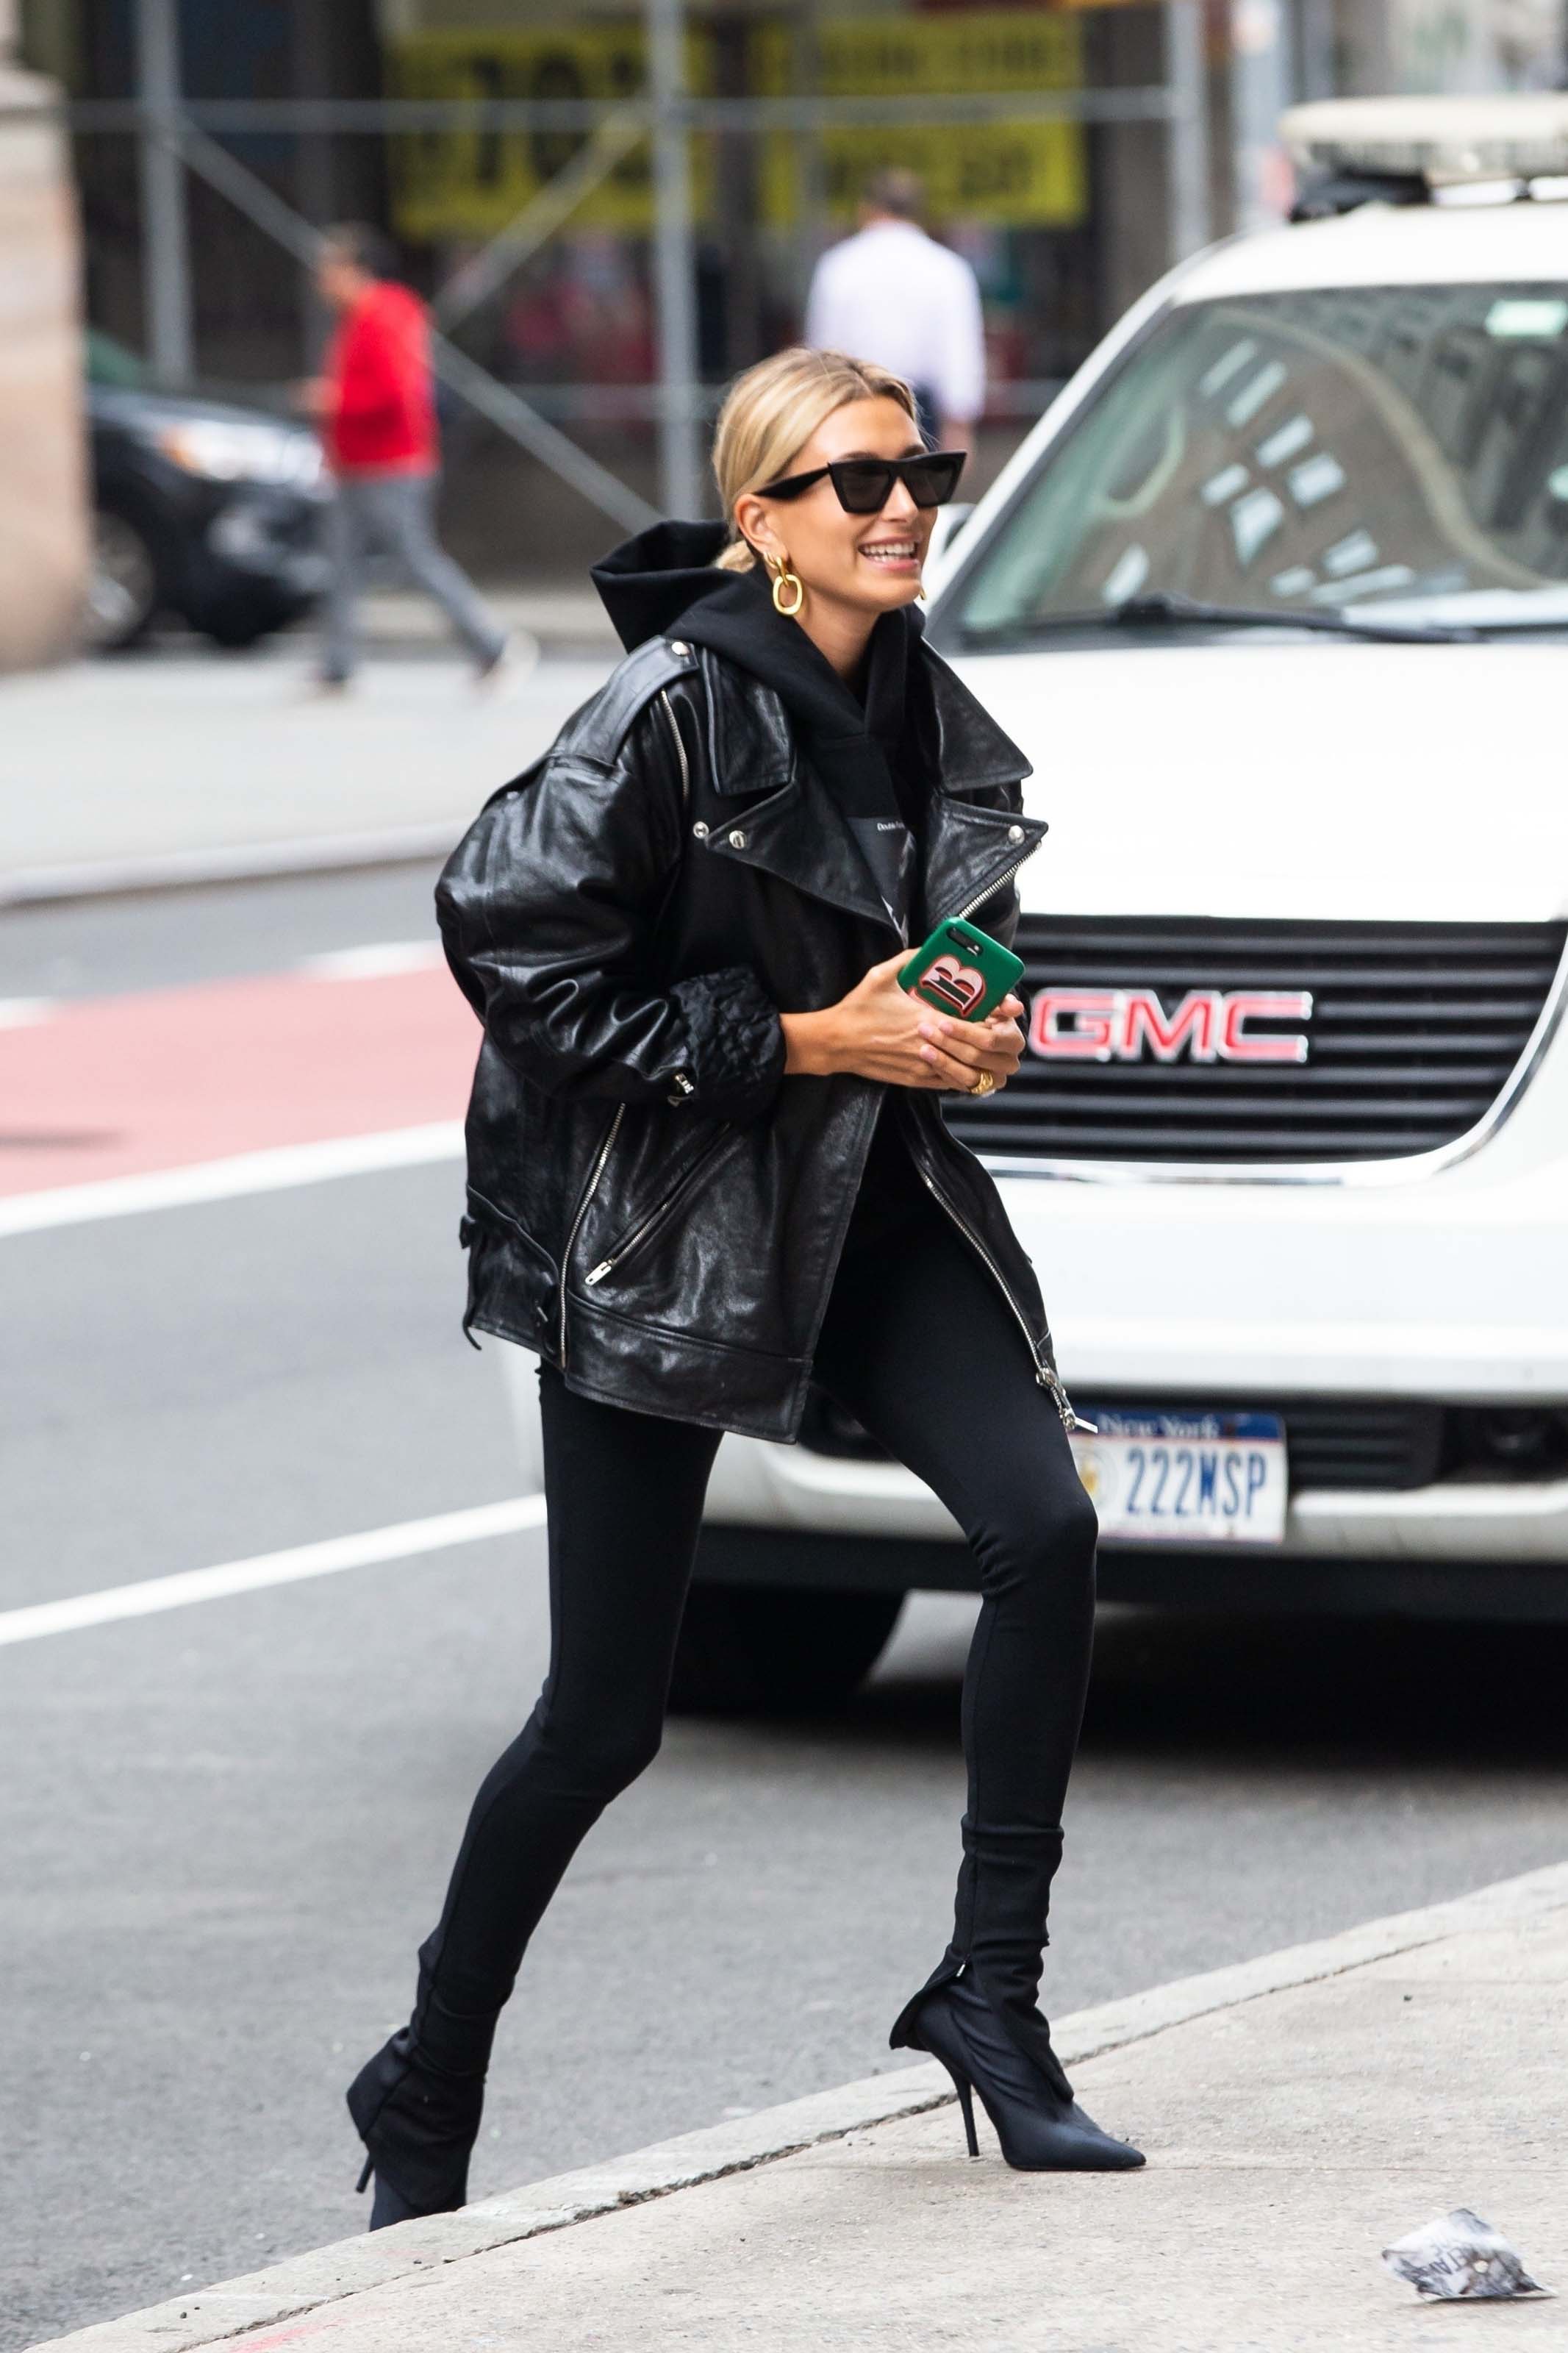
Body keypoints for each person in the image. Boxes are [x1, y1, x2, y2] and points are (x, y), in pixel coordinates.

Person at [345, 346, 1145, 2227]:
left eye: (919, 476)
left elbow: (946, 963)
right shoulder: (666, 713)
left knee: (1041, 1530)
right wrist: (802, 1037)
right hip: (654, 1232)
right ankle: (426, 2071)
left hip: (867, 1206)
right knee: (601, 1718)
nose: (898, 511)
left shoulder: (935, 716)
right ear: (763, 522)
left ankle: (989, 2000)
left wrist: (963, 1040)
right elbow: (512, 952)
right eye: (853, 483)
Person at [299, 223, 526, 690]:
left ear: (354, 270)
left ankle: (494, 645)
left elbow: (398, 393)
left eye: (329, 269)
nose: (321, 281)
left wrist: (334, 401)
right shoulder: (360, 317)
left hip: (392, 463)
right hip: (355, 464)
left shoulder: (386, 315)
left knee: (415, 559)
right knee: (339, 563)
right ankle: (337, 664)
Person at [804, 170, 985, 451]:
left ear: (866, 208)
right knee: (917, 492)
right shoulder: (946, 267)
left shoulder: (839, 265)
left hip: (852, 402)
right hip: (921, 410)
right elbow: (959, 352)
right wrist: (959, 424)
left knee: (860, 491)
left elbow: (822, 351)